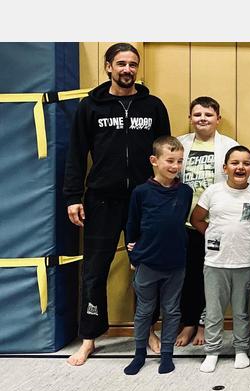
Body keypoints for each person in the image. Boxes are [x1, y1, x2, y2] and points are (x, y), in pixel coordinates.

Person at [64, 42, 171, 366]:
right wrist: (73, 198)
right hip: (101, 199)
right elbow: (76, 154)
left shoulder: (152, 105)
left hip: (143, 198)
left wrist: (162, 193)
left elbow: (164, 153)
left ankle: (148, 330)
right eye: (121, 63)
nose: (127, 69)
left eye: (132, 64)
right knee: (95, 271)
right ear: (108, 66)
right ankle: (89, 337)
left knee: (146, 268)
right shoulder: (90, 107)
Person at [123, 136, 192, 375]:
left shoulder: (185, 192)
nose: (175, 166)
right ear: (154, 160)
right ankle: (139, 353)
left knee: (172, 310)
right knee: (144, 310)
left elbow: (180, 223)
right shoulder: (141, 192)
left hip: (175, 263)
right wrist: (134, 258)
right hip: (148, 262)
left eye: (180, 161)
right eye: (170, 160)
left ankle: (166, 354)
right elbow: (131, 225)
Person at [190, 146, 250, 373]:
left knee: (242, 310)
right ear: (225, 168)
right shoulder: (213, 192)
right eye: (235, 163)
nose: (240, 167)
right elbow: (197, 219)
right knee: (214, 310)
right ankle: (212, 351)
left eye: (246, 163)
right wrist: (213, 235)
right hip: (215, 263)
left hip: (246, 262)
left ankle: (241, 348)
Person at [176, 96, 240, 347]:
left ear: (218, 119)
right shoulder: (180, 144)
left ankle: (205, 323)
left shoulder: (228, 146)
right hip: (185, 222)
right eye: (197, 114)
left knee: (210, 277)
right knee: (187, 275)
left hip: (215, 223)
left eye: (208, 115)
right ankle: (189, 322)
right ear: (190, 118)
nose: (202, 118)